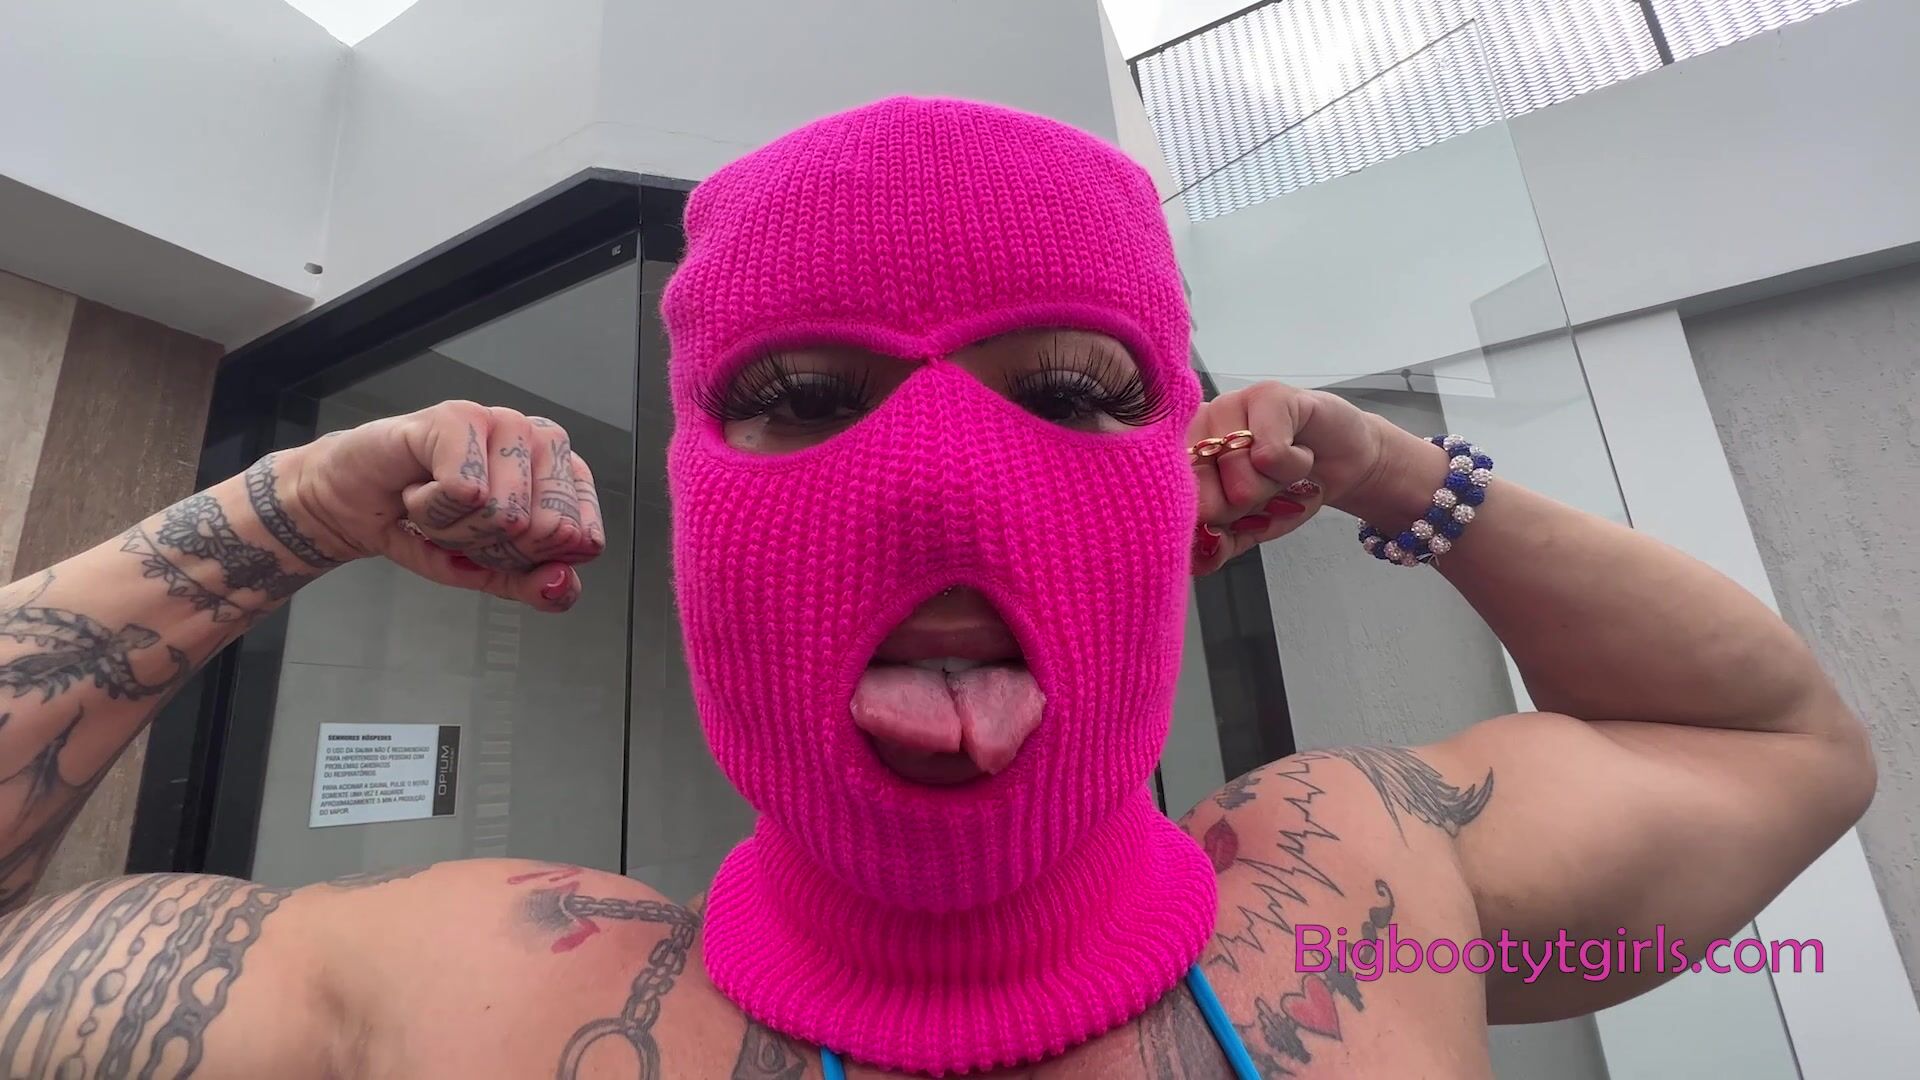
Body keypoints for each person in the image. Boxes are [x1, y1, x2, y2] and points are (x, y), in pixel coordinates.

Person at [0, 97, 1872, 1080]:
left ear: (1173, 488)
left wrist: (1394, 473)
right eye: (804, 397)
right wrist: (296, 500)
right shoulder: (459, 1001)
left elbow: (1781, 749)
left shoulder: (1365, 902)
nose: (938, 491)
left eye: (1072, 392)